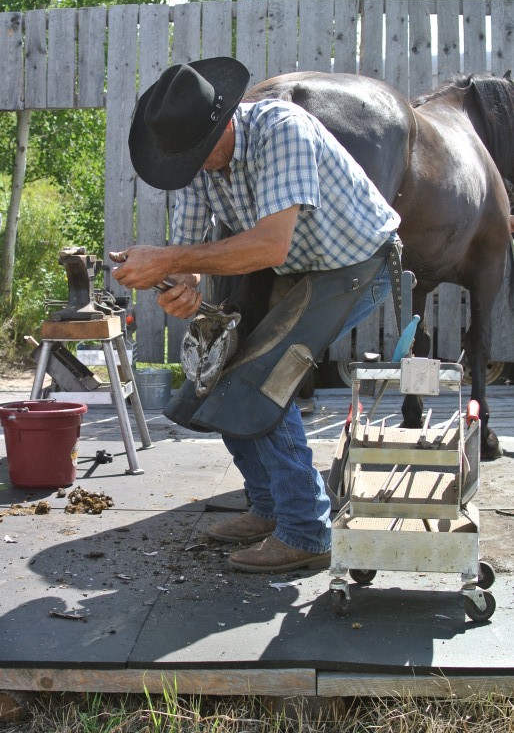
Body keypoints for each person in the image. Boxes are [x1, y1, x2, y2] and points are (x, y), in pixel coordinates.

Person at [110, 57, 401, 574]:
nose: (195, 167)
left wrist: (173, 260)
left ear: (225, 122)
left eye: (201, 154)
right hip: (292, 264)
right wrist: (180, 285)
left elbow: (269, 244)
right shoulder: (194, 159)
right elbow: (191, 253)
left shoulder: (282, 130)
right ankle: (269, 508)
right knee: (217, 369)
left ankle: (307, 532)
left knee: (263, 380)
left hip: (356, 263)